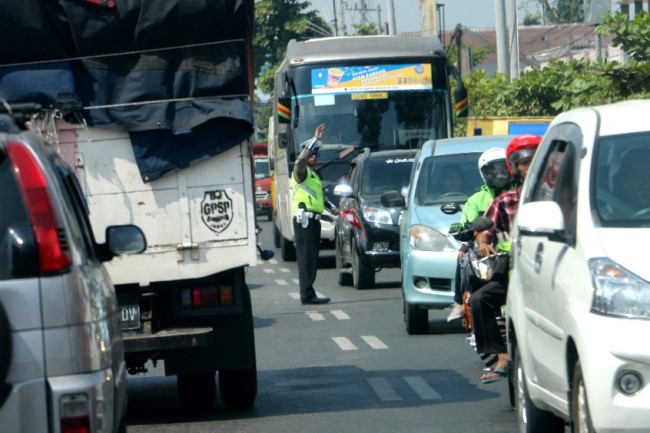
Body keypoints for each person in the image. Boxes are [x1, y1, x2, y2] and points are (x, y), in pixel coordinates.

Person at [469, 134, 541, 384]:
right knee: (479, 300)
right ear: (515, 167)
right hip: (513, 272)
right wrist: (484, 243)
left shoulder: (563, 197)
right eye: (524, 162)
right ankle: (501, 355)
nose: (530, 166)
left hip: (550, 275)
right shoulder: (505, 201)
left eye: (535, 160)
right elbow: (483, 232)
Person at [447, 148, 512, 323]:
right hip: (487, 253)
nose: (499, 174)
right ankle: (459, 302)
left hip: (516, 250)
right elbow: (467, 222)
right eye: (494, 170)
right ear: (485, 174)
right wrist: (461, 229)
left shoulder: (520, 193)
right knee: (463, 258)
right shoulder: (476, 200)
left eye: (503, 168)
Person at [292, 124, 340, 305]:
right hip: (304, 221)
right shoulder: (300, 172)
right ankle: (307, 295)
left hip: (313, 221)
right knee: (306, 259)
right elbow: (299, 161)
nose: (315, 157)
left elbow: (320, 197)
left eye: (317, 154)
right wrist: (314, 140)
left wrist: (332, 209)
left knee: (311, 259)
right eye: (313, 154)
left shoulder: (313, 175)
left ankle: (309, 292)